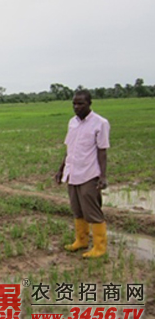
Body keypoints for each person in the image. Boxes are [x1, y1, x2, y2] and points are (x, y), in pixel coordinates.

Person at [55, 90, 110, 258]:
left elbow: (102, 151)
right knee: (77, 210)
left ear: (89, 104)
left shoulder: (100, 123)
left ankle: (100, 248)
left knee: (92, 211)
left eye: (80, 104)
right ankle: (81, 241)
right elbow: (69, 149)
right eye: (74, 104)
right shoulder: (72, 123)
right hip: (73, 173)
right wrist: (61, 169)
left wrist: (102, 176)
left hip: (89, 173)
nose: (76, 107)